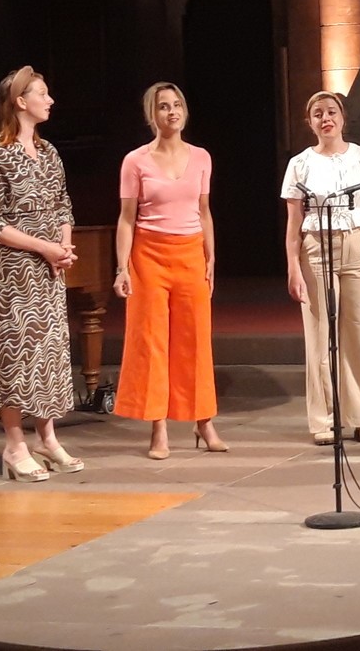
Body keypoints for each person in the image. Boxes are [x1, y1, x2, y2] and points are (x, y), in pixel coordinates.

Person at [0, 66, 83, 483]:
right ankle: (14, 444)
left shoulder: (48, 151)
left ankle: (47, 439)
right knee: (16, 355)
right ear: (21, 101)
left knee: (48, 353)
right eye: (42, 93)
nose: (50, 100)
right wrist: (43, 247)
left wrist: (63, 246)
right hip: (15, 274)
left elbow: (62, 204)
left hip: (50, 270)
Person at [113, 82, 225, 458]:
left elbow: (204, 211)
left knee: (195, 339)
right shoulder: (135, 161)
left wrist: (210, 256)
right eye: (163, 106)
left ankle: (203, 422)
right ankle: (158, 428)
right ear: (152, 115)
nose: (171, 112)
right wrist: (122, 267)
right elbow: (126, 219)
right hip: (148, 256)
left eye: (177, 105)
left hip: (191, 253)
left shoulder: (202, 157)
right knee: (152, 341)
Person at [281, 91, 360, 446]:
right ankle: (324, 419)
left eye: (331, 112)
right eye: (318, 113)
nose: (325, 118)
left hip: (358, 243)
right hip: (316, 246)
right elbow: (293, 222)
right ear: (309, 121)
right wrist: (293, 267)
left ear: (342, 117)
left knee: (358, 331)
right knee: (319, 335)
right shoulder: (300, 164)